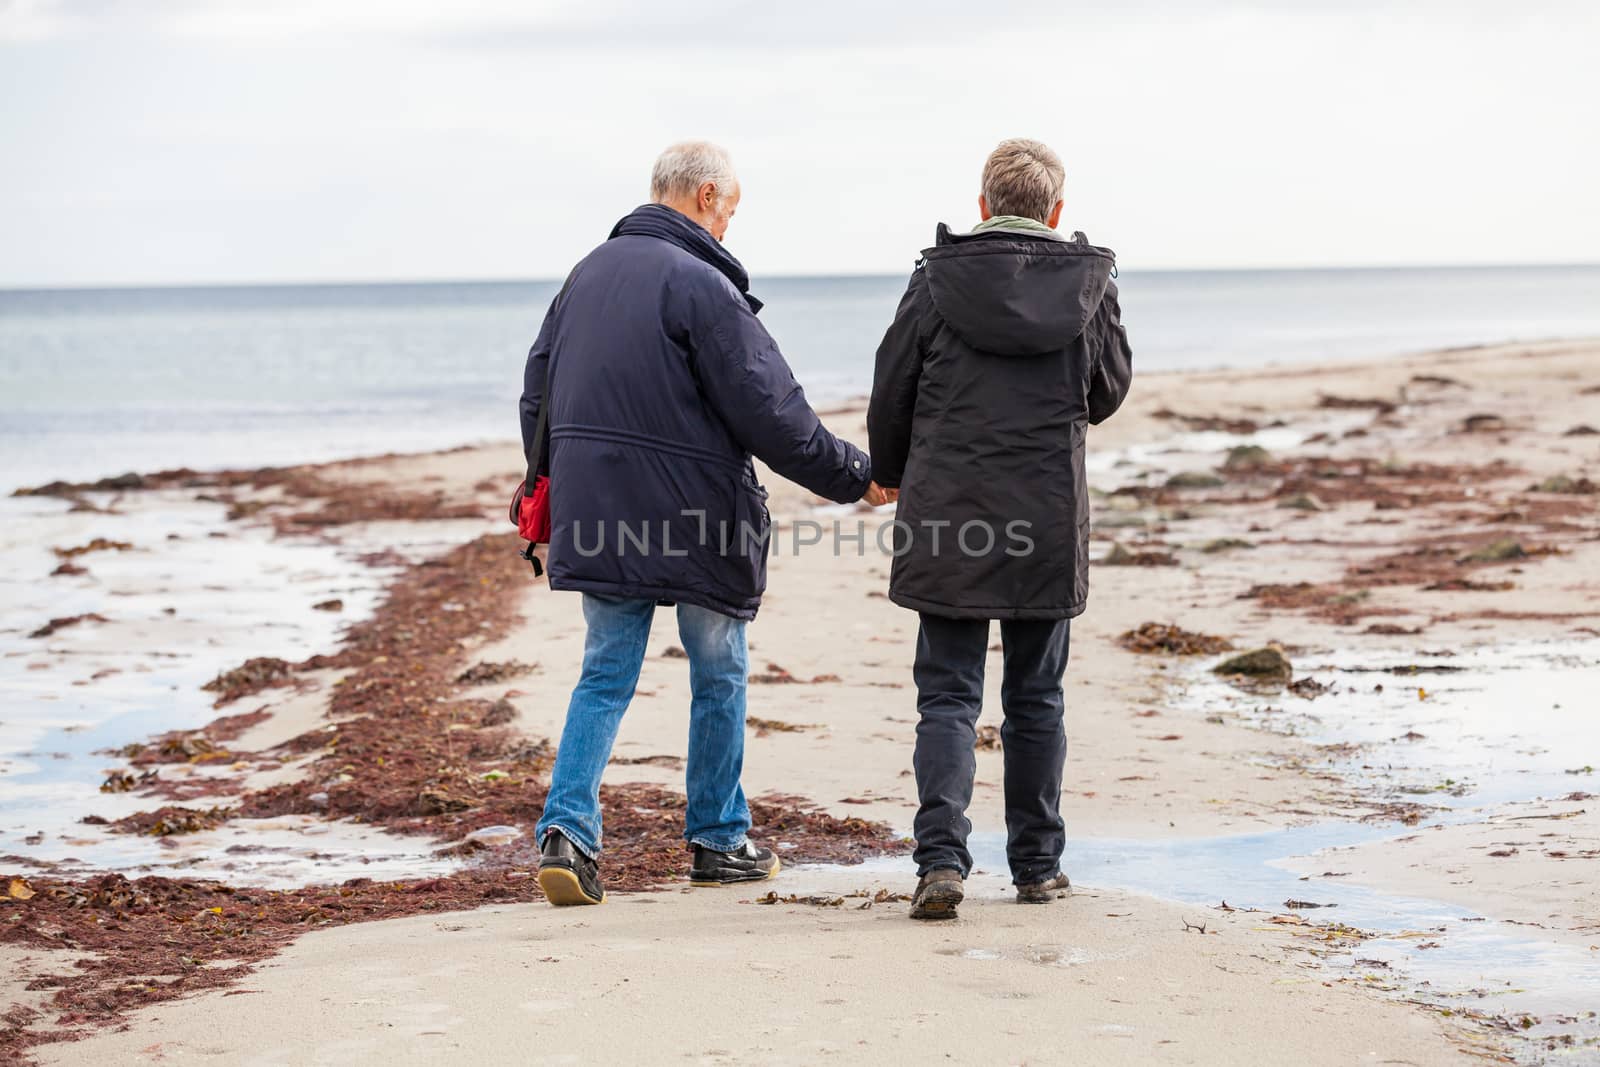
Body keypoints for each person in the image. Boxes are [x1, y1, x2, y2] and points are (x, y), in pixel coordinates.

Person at [521, 141, 889, 906]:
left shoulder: (584, 275)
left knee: (605, 671)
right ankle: (719, 840)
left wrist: (552, 481)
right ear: (706, 194)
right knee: (717, 670)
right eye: (729, 211)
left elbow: (538, 393)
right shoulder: (701, 283)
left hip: (602, 510)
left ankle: (567, 833)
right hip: (696, 516)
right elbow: (772, 411)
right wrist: (855, 476)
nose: (728, 227)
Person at [867, 138, 1133, 920]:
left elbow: (893, 386)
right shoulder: (1090, 285)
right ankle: (1037, 867)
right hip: (1045, 512)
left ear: (984, 205)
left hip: (952, 514)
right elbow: (1108, 388)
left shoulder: (934, 279)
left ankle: (942, 861)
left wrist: (887, 466)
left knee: (947, 696)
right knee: (1036, 698)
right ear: (1055, 212)